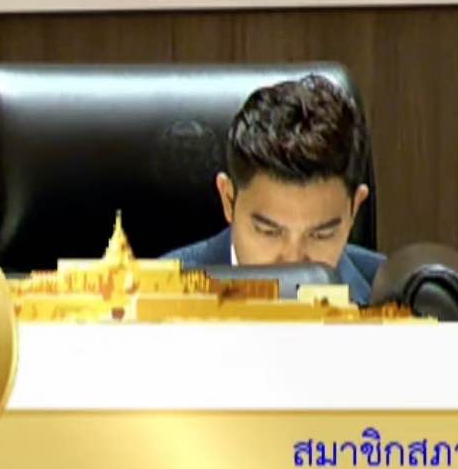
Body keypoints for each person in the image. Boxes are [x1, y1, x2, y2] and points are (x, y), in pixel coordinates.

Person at [164, 75, 385, 305]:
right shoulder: (157, 297)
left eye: (321, 235)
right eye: (269, 232)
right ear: (228, 200)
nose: (293, 261)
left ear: (354, 209)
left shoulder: (392, 298)